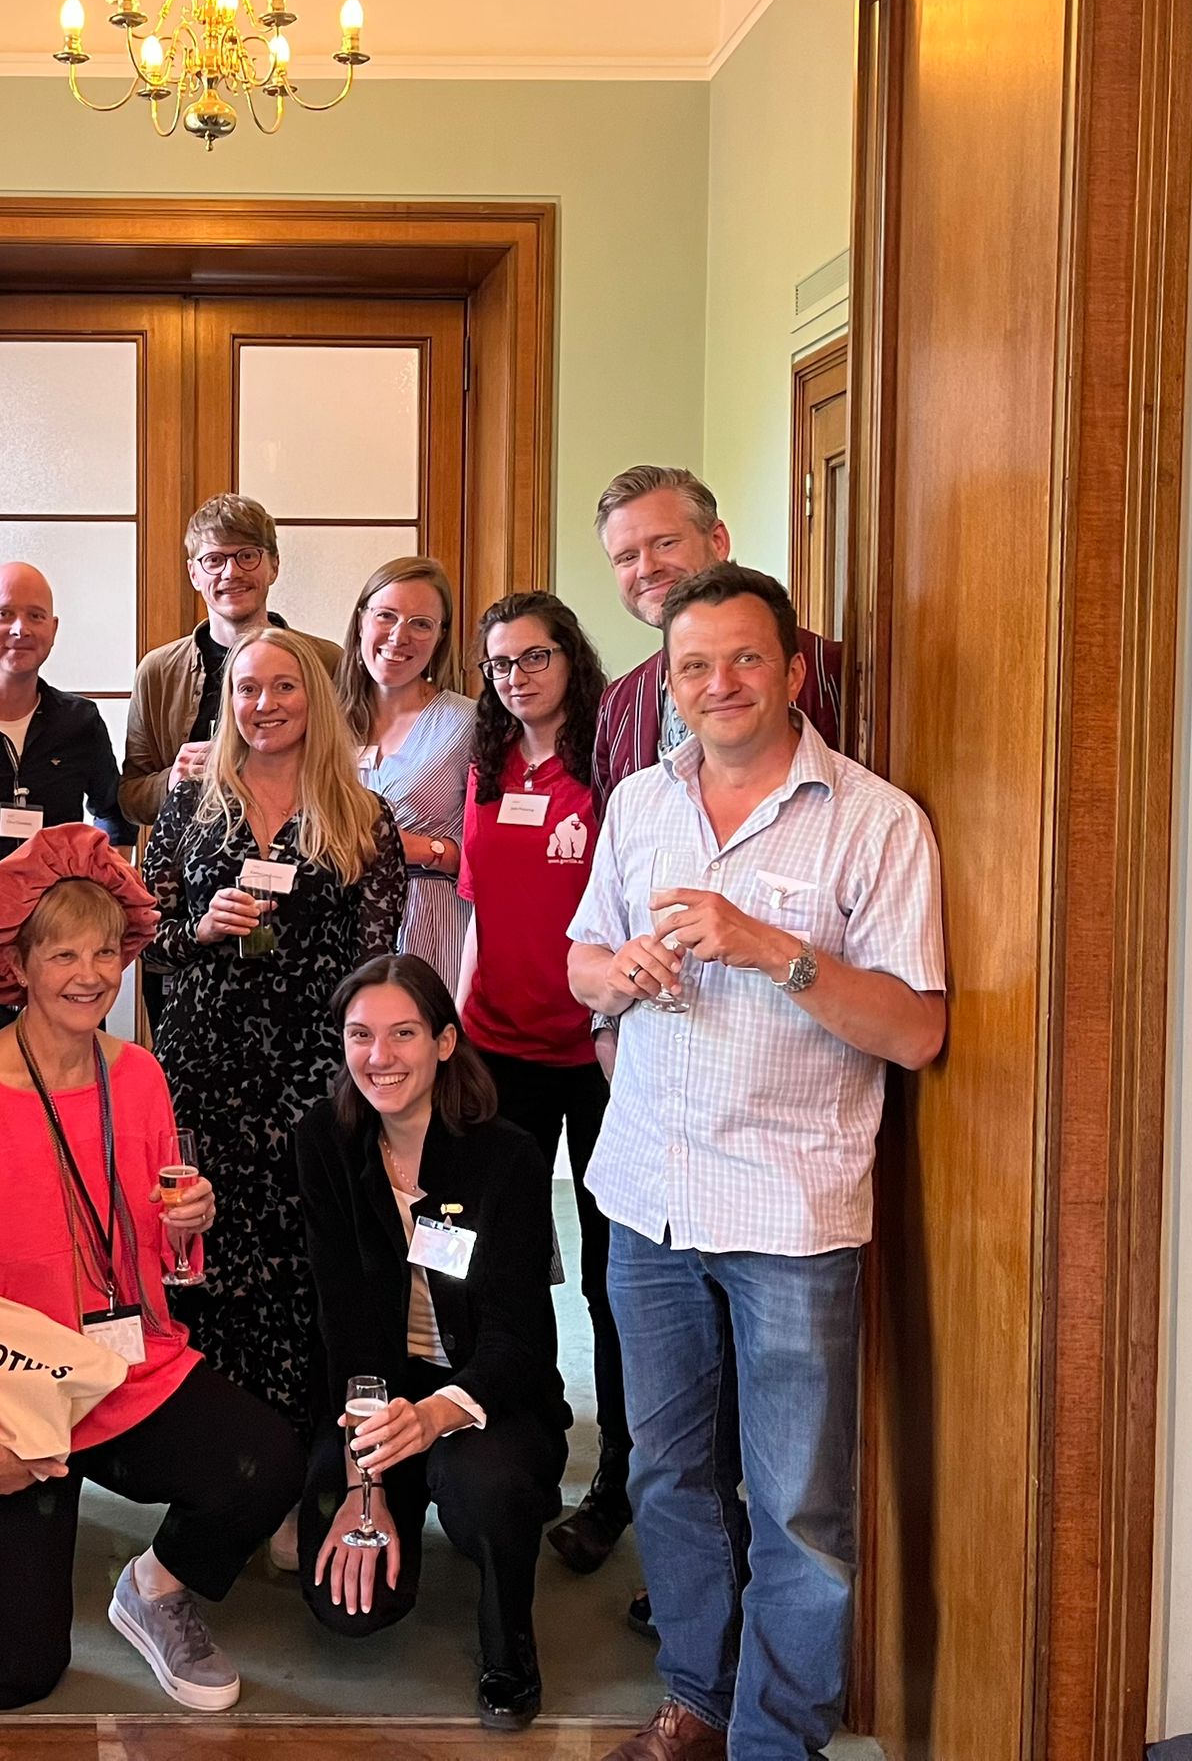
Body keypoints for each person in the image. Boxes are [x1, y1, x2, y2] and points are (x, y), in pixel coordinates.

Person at [566, 563, 945, 1761]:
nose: (716, 682)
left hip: (790, 1210)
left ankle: (774, 1739)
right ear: (665, 682)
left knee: (797, 1509)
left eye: (741, 658)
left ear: (790, 670)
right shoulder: (637, 800)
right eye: (691, 665)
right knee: (667, 1476)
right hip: (645, 1199)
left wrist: (769, 946)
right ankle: (693, 1699)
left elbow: (916, 1028)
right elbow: (579, 958)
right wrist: (617, 974)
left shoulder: (875, 820)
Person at [0, 826, 304, 1712]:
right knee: (10, 1672)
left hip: (120, 1366)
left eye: (105, 951)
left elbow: (151, 1248)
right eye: (62, 952)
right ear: (16, 963)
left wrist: (190, 1223)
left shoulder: (137, 1074)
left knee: (268, 1461)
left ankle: (156, 1588)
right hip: (2, 1389)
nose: (90, 975)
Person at [142, 626, 406, 1535]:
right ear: (228, 704)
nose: (264, 705)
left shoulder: (364, 817)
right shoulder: (188, 809)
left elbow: (376, 963)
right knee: (204, 1265)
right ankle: (220, 1469)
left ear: (316, 698)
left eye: (284, 688)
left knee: (303, 1271)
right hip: (203, 1071)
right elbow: (149, 939)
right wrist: (203, 930)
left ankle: (294, 1480)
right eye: (248, 690)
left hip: (310, 1076)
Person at [295, 954, 571, 1732]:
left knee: (484, 1486)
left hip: (485, 1392)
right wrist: (363, 1480)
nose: (379, 1057)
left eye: (403, 1034)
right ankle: (402, 1496)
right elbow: (340, 1319)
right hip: (379, 1394)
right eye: (360, 1035)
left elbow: (519, 1344)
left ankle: (509, 1648)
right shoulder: (326, 1140)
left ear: (446, 1042)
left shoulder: (506, 1156)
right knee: (350, 1610)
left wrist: (434, 1418)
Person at [454, 591, 630, 1578]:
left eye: (534, 655)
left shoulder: (611, 770)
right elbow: (479, 913)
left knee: (609, 1279)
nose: (516, 675)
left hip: (597, 1057)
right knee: (503, 1266)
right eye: (500, 662)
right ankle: (526, 1447)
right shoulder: (486, 770)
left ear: (569, 657)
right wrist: (463, 1038)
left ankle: (613, 1489)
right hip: (497, 1051)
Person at [121, 494, 344, 1029]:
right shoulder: (158, 671)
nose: (231, 573)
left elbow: (349, 768)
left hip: (303, 909)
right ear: (193, 572)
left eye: (247, 556)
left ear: (272, 566)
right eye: (214, 560)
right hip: (191, 914)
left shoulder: (327, 661)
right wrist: (172, 780)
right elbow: (127, 794)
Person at [0, 561, 131, 1055]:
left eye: (36, 616)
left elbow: (113, 813)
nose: (20, 629)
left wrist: (100, 893)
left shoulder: (78, 722)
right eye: (4, 614)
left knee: (64, 1111)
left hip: (61, 964)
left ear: (53, 630)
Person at [590, 465, 841, 808]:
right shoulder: (618, 704)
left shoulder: (829, 669)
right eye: (627, 557)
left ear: (718, 540)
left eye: (665, 543)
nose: (647, 568)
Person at [336, 555, 476, 989]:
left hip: (427, 924)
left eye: (420, 623)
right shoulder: (325, 723)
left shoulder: (468, 722)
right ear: (361, 620)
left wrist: (420, 849)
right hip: (333, 921)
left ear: (440, 638)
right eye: (386, 616)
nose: (399, 636)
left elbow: (489, 851)